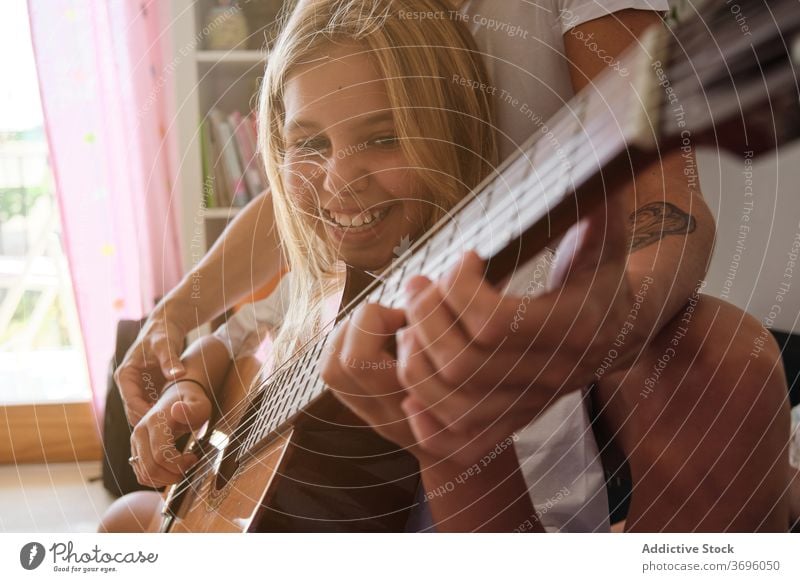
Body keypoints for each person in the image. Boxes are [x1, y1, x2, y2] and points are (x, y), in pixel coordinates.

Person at [111, 0, 791, 532]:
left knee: (725, 360)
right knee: (122, 524)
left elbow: (665, 205)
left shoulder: (486, 314)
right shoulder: (322, 278)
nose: (339, 180)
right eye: (307, 145)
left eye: (384, 137)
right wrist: (190, 385)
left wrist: (454, 439)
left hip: (518, 333)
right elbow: (241, 333)